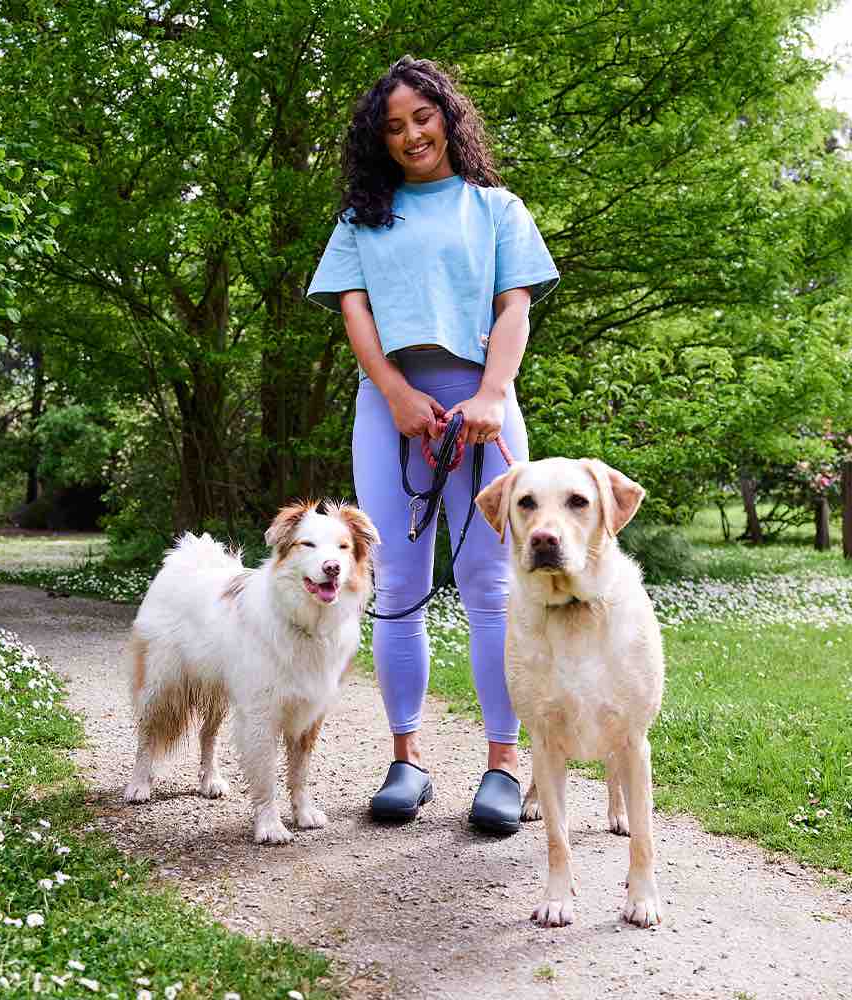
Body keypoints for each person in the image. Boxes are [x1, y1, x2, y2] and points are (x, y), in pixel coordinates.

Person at [306, 55, 559, 834]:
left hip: (484, 411)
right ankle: (406, 760)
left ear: (447, 117)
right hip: (390, 412)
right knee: (398, 589)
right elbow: (356, 315)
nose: (411, 133)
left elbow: (514, 308)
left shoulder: (496, 208)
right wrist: (395, 395)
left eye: (422, 116)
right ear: (377, 141)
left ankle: (503, 766)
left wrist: (488, 395)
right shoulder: (361, 220)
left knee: (491, 587)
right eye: (393, 126)